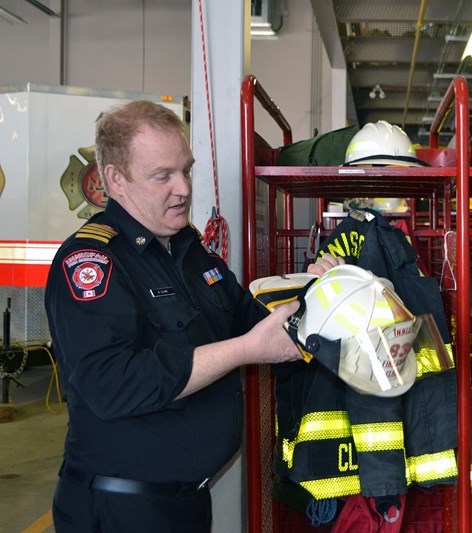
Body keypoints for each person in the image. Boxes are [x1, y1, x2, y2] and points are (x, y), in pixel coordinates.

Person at [44, 99, 340, 532]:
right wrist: (244, 350)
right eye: (163, 176)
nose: (183, 188)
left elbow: (249, 319)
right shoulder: (93, 260)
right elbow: (111, 384)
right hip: (120, 511)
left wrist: (315, 291)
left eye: (186, 169)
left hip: (185, 505)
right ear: (115, 180)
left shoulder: (188, 249)